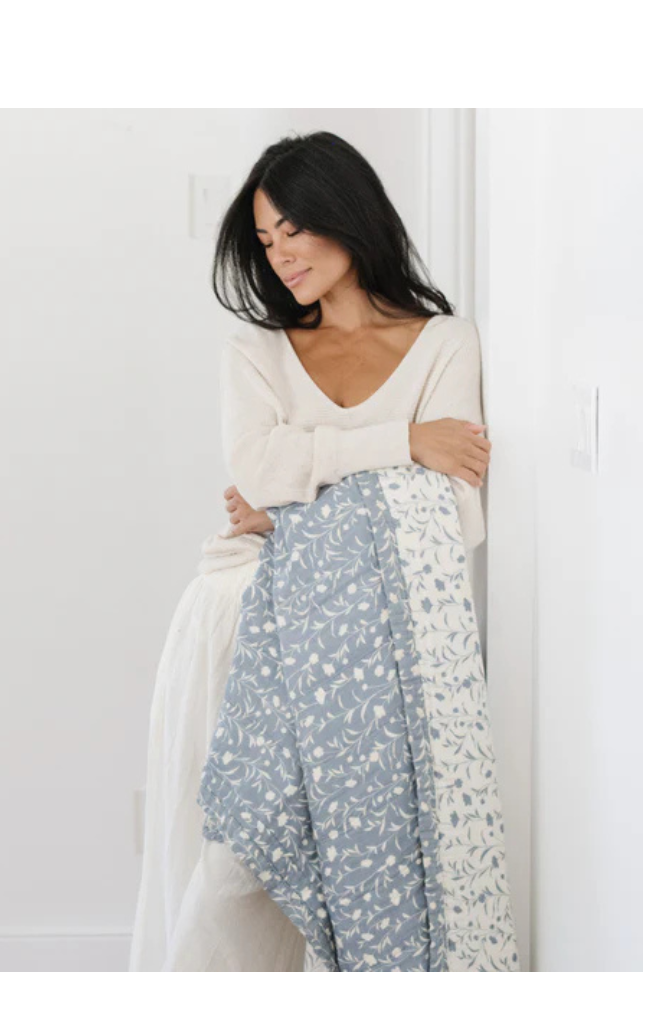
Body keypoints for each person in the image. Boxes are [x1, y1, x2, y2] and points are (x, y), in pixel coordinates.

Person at [129, 131, 491, 972]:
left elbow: (450, 517)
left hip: (380, 636)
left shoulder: (446, 344)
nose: (280, 254)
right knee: (239, 863)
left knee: (366, 872)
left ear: (347, 214)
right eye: (266, 240)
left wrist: (291, 510)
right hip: (245, 618)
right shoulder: (255, 354)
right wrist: (404, 442)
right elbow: (258, 470)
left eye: (293, 229)